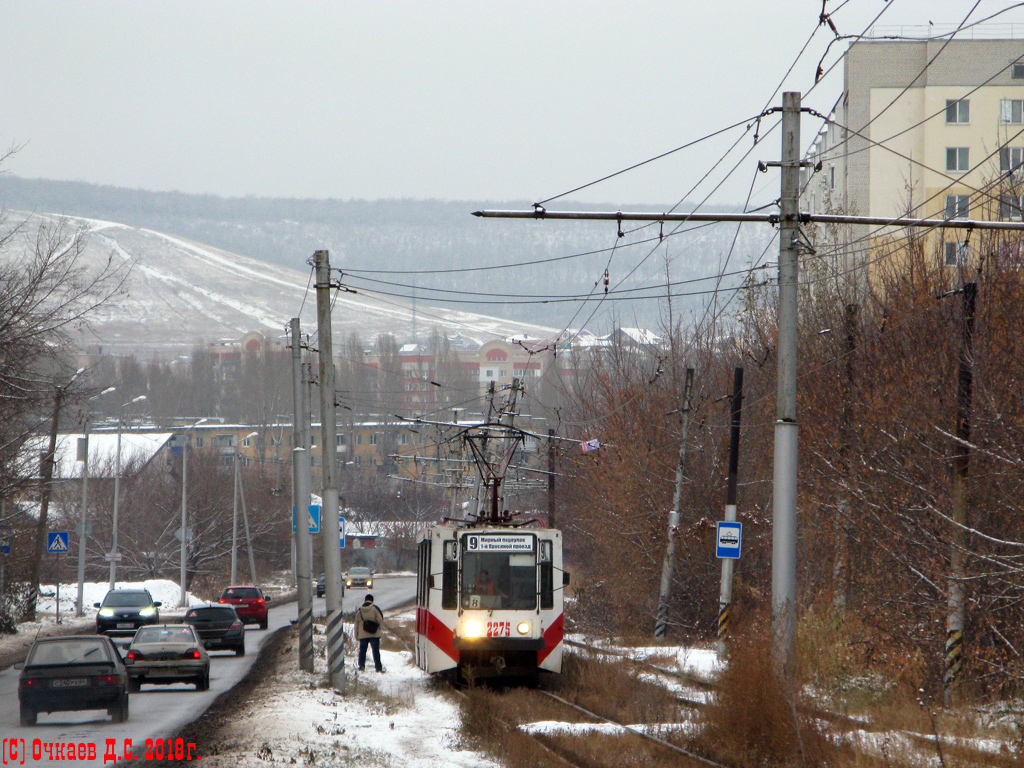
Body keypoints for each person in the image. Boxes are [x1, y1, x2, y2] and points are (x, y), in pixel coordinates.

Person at [354, 594, 384, 672]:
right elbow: (380, 620)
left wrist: (356, 635)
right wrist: (380, 629)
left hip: (363, 634)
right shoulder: (375, 609)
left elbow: (356, 624)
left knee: (362, 651)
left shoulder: (359, 611)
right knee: (375, 651)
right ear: (372, 600)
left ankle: (361, 666)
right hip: (374, 634)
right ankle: (378, 668)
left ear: (365, 600)